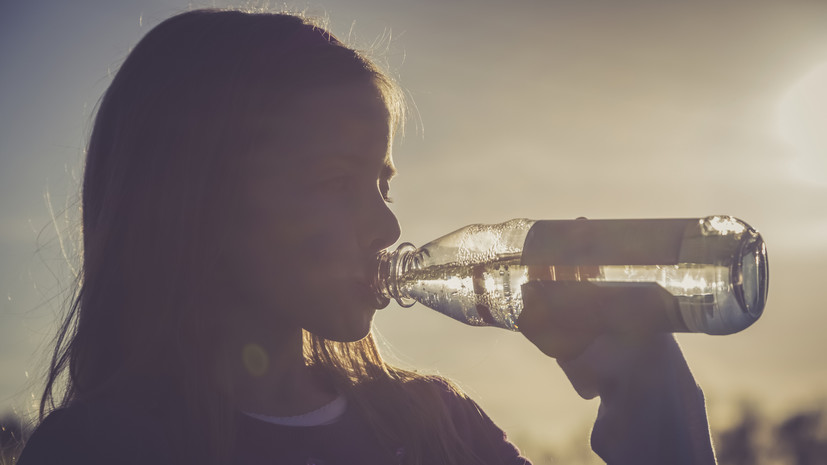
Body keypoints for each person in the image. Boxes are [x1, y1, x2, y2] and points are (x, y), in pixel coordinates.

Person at [17, 8, 716, 465]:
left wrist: (651, 393)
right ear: (198, 205)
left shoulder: (433, 427)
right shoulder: (102, 447)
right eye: (334, 182)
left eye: (383, 183)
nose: (386, 226)